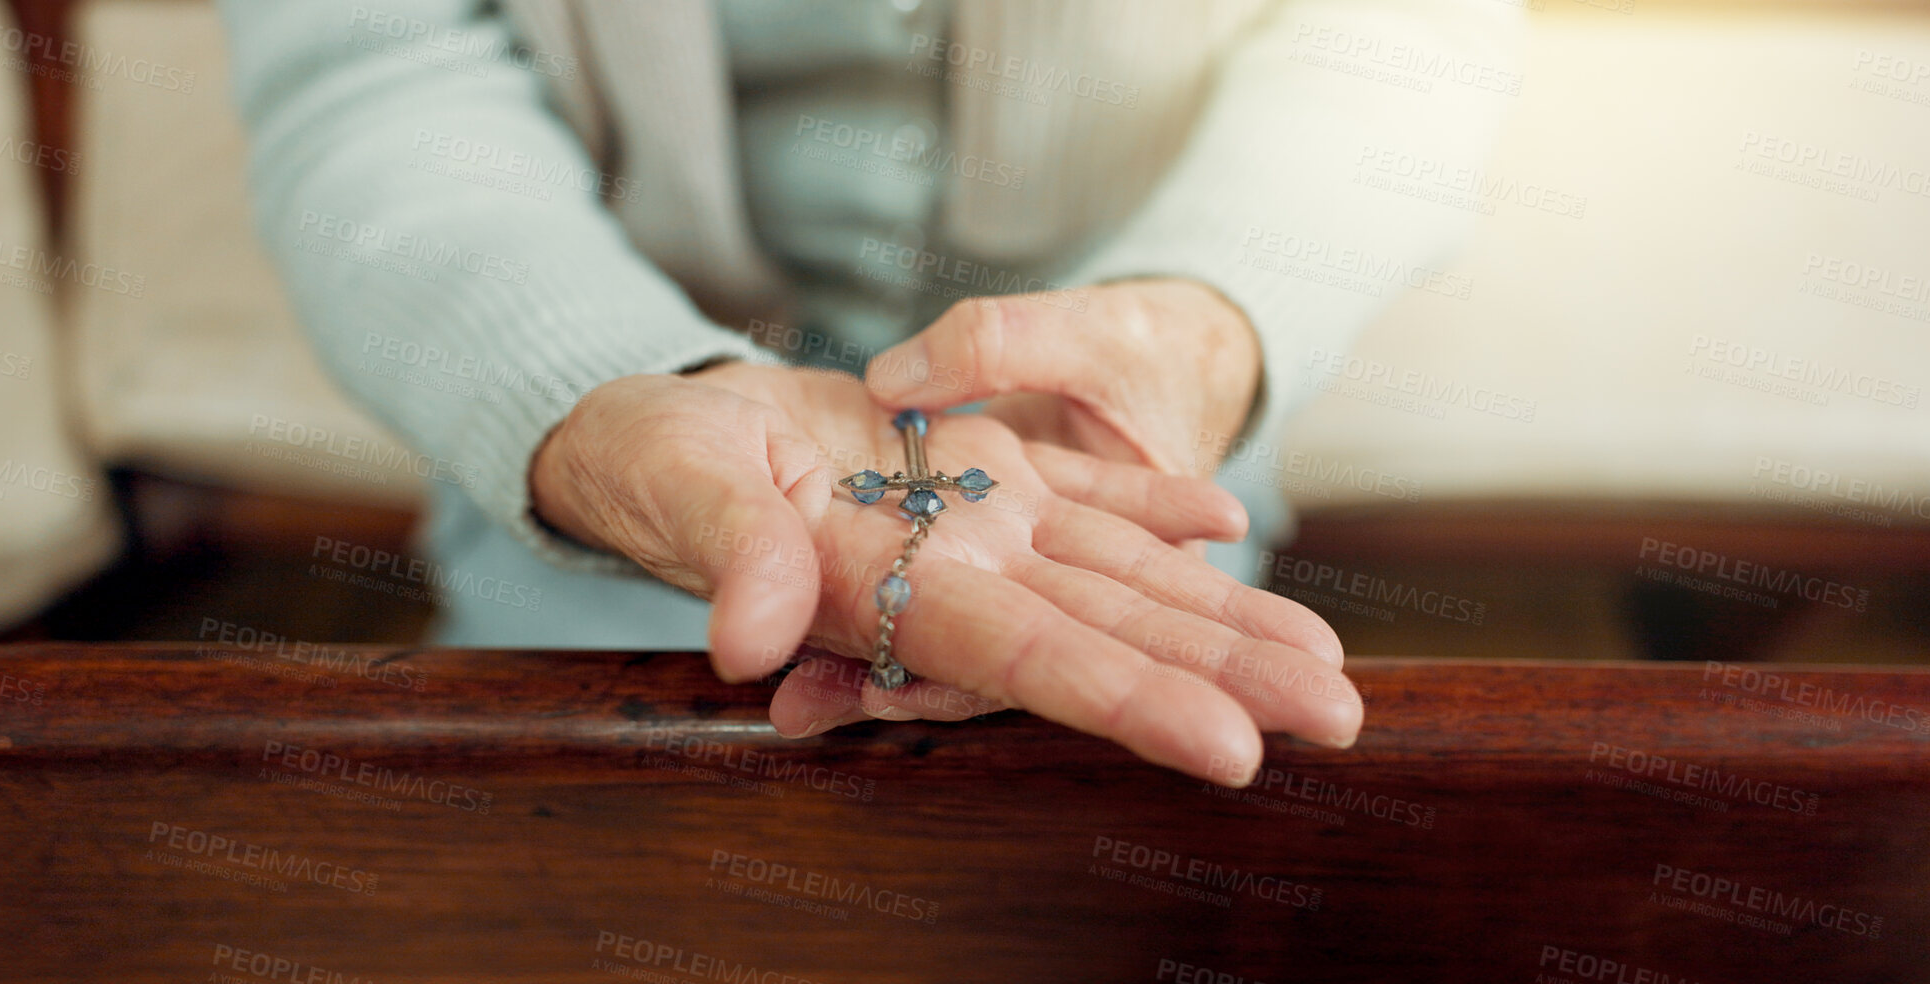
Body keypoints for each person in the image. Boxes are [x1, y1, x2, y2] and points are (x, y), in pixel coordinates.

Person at [220, 0, 1519, 785]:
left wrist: (1210, 312)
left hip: (1120, 491)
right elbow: (373, 78)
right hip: (589, 506)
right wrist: (595, 386)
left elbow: (1397, 40)